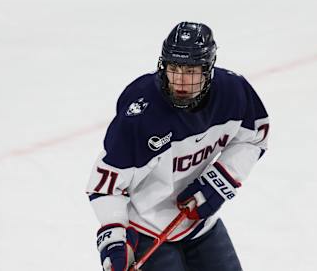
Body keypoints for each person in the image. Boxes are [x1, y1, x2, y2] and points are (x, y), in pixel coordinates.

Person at [86, 21, 270, 271]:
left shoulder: (233, 93)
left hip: (201, 224)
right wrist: (116, 238)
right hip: (146, 229)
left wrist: (220, 180)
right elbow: (106, 186)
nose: (181, 81)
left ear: (208, 70)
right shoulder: (141, 115)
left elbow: (253, 136)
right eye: (175, 68)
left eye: (192, 71)